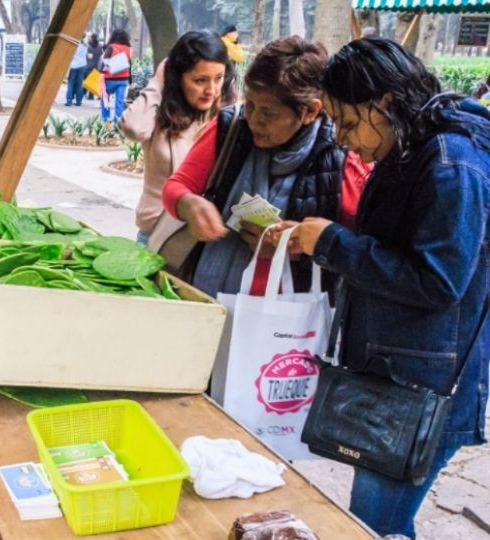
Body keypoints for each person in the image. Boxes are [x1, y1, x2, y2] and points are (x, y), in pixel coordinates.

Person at [270, 37, 490, 539]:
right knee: (379, 524)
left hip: (425, 388)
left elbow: (439, 279)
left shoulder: (451, 161)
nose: (344, 140)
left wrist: (333, 244)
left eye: (348, 122)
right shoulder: (412, 148)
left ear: (386, 103)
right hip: (399, 376)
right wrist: (323, 239)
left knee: (373, 525)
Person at [162, 36, 371, 298]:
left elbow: (357, 249)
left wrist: (300, 246)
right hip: (212, 298)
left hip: (290, 319)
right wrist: (188, 204)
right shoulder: (231, 128)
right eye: (250, 104)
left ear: (310, 112)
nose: (254, 120)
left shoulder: (341, 155)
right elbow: (175, 187)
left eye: (269, 113)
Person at [120, 30, 233, 245]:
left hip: (202, 242)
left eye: (218, 78)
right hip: (155, 235)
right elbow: (133, 129)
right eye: (200, 80)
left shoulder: (225, 117)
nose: (211, 90)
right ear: (178, 78)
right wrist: (159, 80)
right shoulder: (160, 112)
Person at [100, 29, 133, 124]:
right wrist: (130, 81)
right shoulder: (128, 48)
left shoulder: (111, 47)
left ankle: (105, 120)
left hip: (110, 78)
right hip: (124, 79)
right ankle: (118, 122)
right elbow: (129, 64)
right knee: (119, 101)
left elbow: (104, 62)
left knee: (105, 99)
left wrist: (104, 70)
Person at [66, 38, 89, 106]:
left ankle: (69, 101)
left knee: (70, 83)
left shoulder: (73, 45)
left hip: (73, 66)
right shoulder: (85, 45)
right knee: (79, 84)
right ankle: (78, 101)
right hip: (82, 66)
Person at [85, 32, 104, 101]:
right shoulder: (100, 46)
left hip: (89, 65)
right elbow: (102, 53)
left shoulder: (89, 47)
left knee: (87, 79)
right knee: (92, 81)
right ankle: (91, 95)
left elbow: (89, 57)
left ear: (92, 38)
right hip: (97, 65)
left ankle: (86, 94)